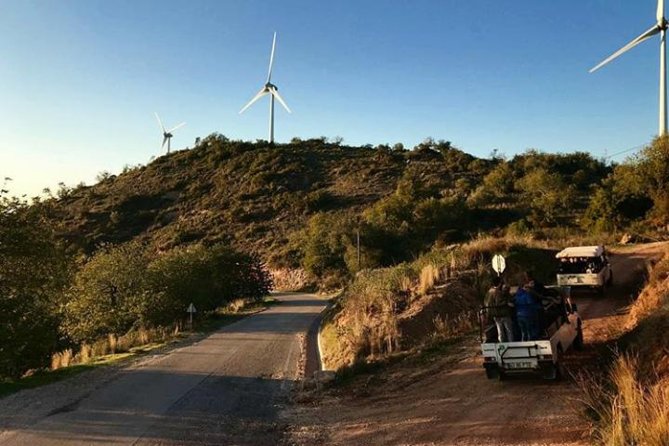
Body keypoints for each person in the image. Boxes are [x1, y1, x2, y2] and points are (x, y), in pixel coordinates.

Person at [484, 276, 515, 342]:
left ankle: (501, 345)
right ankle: (511, 344)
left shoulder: (489, 292)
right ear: (500, 283)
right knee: (509, 331)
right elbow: (499, 303)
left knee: (500, 332)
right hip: (503, 314)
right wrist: (507, 302)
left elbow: (486, 302)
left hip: (495, 315)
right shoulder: (497, 292)